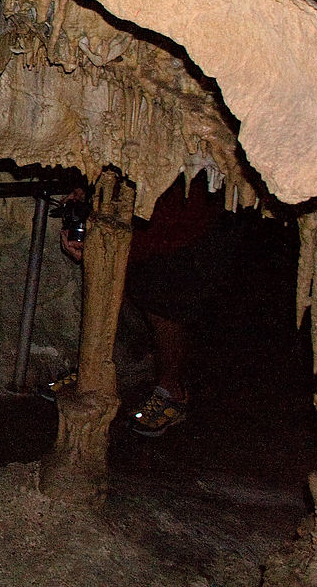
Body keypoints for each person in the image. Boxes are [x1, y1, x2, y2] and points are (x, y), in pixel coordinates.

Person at [50, 170, 222, 437]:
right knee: (112, 292)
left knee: (164, 310)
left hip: (178, 230)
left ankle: (172, 392)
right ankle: (94, 371)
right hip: (138, 222)